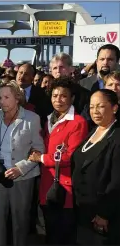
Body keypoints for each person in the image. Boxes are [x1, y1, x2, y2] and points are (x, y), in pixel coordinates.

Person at [29, 78, 88, 245]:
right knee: (50, 234)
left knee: (63, 236)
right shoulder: (48, 119)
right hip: (47, 185)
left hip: (64, 189)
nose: (58, 100)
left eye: (63, 96)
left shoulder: (78, 122)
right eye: (55, 96)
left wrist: (40, 157)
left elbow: (70, 156)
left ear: (72, 99)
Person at [0, 81, 44, 246]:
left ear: (17, 98)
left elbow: (38, 150)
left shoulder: (32, 118)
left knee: (20, 221)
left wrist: (20, 169)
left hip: (23, 179)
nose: (2, 101)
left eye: (6, 97)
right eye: (0, 97)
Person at [72, 89, 120, 245]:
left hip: (104, 215)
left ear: (114, 108)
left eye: (100, 106)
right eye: (91, 107)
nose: (95, 111)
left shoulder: (117, 136)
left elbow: (117, 181)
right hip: (84, 209)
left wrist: (104, 213)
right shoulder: (94, 130)